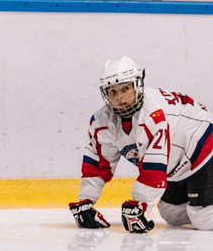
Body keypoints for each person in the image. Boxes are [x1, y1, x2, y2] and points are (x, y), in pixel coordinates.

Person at [70, 56, 213, 233]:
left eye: (125, 89)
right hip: (176, 164)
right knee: (171, 213)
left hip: (203, 148)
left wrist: (140, 206)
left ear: (138, 85)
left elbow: (153, 168)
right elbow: (98, 164)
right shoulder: (102, 122)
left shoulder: (152, 115)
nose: (120, 97)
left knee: (203, 218)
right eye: (112, 92)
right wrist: (86, 201)